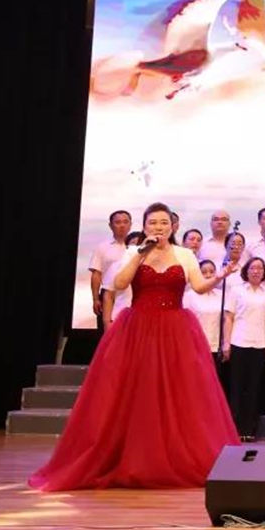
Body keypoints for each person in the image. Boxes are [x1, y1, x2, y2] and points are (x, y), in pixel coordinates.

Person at [30, 203, 239, 491]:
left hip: (175, 330)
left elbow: (199, 286)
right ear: (145, 225)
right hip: (139, 329)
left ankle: (173, 455)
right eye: (153, 222)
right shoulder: (133, 252)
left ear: (172, 226)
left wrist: (220, 275)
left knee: (179, 393)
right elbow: (119, 283)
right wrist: (140, 253)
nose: (159, 227)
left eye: (164, 222)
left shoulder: (184, 254)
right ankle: (133, 456)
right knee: (136, 391)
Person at [223, 257, 265, 441]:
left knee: (254, 388)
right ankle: (235, 430)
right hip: (239, 342)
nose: (256, 271)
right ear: (246, 270)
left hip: (260, 343)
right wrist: (226, 342)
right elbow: (228, 318)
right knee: (237, 388)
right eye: (252, 268)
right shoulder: (236, 291)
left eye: (260, 268)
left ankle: (250, 429)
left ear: (264, 272)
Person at [88, 210, 132, 328]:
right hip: (109, 294)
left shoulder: (137, 246)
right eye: (118, 222)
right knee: (108, 331)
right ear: (110, 225)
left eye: (125, 222)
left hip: (132, 294)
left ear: (130, 224)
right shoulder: (102, 247)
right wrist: (95, 298)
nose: (122, 225)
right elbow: (96, 274)